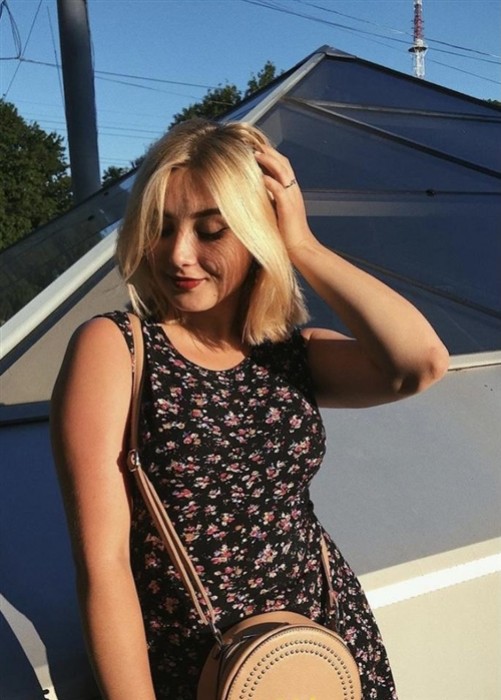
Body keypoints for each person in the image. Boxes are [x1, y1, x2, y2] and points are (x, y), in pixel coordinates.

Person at [50, 118, 449, 700]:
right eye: (161, 228)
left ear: (256, 233)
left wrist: (302, 245)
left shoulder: (286, 354)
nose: (179, 254)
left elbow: (420, 363)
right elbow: (103, 564)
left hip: (326, 643)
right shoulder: (118, 349)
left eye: (212, 230)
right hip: (205, 666)